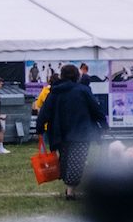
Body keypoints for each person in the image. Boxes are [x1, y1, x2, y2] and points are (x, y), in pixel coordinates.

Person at [40, 64, 107, 200]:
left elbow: (45, 111)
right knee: (77, 160)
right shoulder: (83, 90)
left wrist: (39, 127)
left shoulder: (55, 91)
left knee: (65, 160)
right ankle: (70, 189)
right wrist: (103, 123)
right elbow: (95, 108)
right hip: (81, 132)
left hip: (60, 132)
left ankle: (69, 188)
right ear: (77, 75)